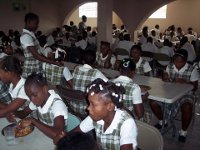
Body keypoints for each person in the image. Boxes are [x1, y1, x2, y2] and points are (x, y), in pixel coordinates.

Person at [73, 78, 138, 150]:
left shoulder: (126, 123)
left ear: (110, 106)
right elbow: (74, 133)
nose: (88, 108)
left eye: (93, 104)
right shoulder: (95, 117)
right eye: (89, 103)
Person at [150, 49, 199, 142]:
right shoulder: (170, 66)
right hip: (171, 91)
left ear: (185, 61)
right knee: (153, 102)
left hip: (186, 93)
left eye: (180, 62)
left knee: (187, 106)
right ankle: (163, 121)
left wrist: (185, 82)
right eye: (175, 61)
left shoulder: (192, 69)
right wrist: (164, 77)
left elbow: (195, 87)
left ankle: (183, 131)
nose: (177, 64)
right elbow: (164, 78)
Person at [11, 72, 68, 139]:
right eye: (29, 97)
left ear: (45, 89)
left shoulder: (57, 105)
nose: (32, 100)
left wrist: (33, 121)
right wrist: (12, 112)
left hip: (58, 142)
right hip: (44, 137)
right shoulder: (39, 100)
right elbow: (23, 113)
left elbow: (58, 134)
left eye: (34, 95)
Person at [20, 12, 61, 78]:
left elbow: (38, 52)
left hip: (37, 65)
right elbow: (36, 55)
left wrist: (50, 58)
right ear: (29, 22)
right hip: (31, 68)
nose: (37, 26)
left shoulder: (31, 34)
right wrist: (54, 63)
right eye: (36, 23)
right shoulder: (26, 36)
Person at [71, 50, 108, 115]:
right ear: (95, 61)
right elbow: (107, 83)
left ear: (83, 60)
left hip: (73, 106)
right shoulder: (96, 73)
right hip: (87, 109)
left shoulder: (76, 69)